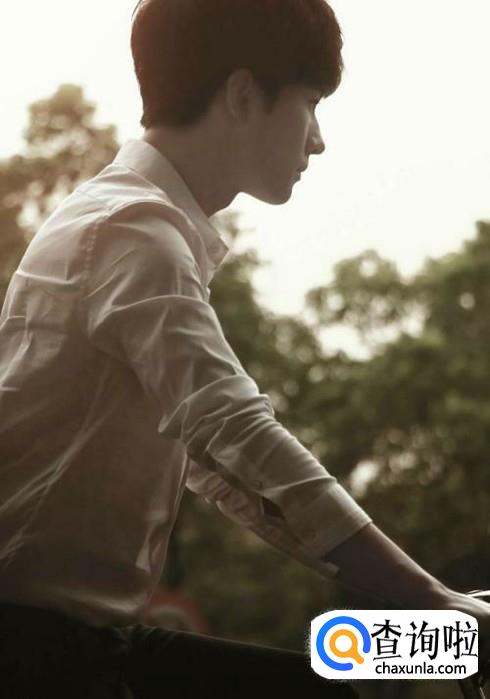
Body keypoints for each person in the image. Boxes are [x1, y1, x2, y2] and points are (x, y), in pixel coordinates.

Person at [0, 0, 488, 697]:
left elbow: (222, 466)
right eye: (311, 104)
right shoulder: (130, 232)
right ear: (241, 94)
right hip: (33, 648)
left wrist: (426, 607)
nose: (318, 141)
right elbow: (236, 431)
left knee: (336, 681)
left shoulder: (136, 225)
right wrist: (430, 597)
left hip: (83, 641)